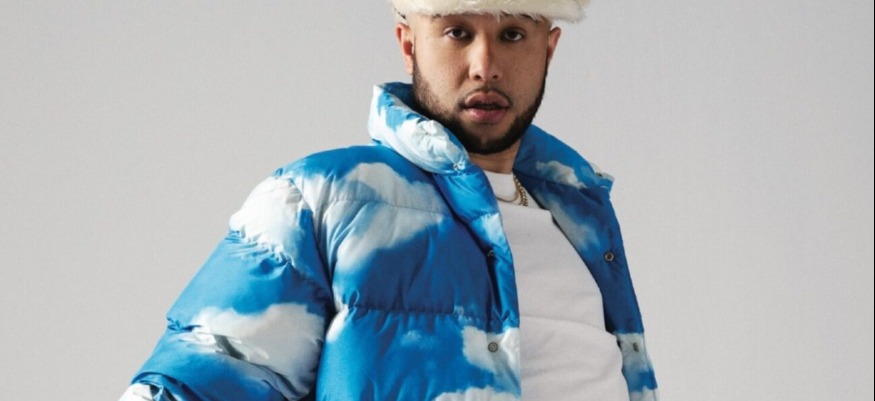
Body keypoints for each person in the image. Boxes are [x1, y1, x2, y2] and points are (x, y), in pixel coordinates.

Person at [120, 1, 658, 400]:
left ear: (549, 50)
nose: (485, 65)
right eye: (457, 31)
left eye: (513, 34)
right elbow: (189, 388)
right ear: (409, 45)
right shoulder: (324, 199)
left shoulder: (583, 222)